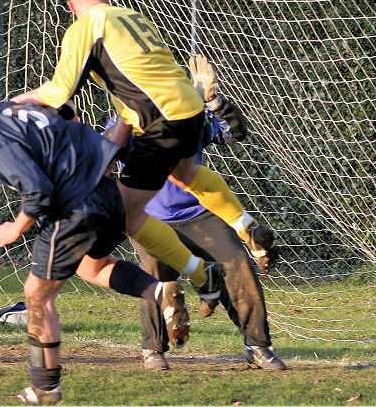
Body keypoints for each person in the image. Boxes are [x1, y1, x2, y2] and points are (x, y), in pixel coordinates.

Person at [11, 0, 279, 305]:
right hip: (192, 108)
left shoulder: (83, 27)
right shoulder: (132, 16)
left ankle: (200, 274)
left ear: (71, 6)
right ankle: (245, 225)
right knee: (186, 174)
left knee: (128, 213)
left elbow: (58, 91)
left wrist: (11, 105)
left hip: (158, 119)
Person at [0, 89, 191, 405]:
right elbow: (65, 110)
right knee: (92, 267)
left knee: (36, 295)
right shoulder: (9, 112)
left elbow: (39, 193)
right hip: (106, 196)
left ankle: (45, 388)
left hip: (73, 209)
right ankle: (159, 292)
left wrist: (15, 227)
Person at [119, 54, 286, 372]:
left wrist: (215, 102)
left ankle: (258, 346)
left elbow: (237, 132)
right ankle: (154, 350)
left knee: (238, 264)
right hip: (151, 216)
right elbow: (105, 153)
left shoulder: (192, 115)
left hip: (200, 213)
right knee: (154, 275)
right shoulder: (128, 119)